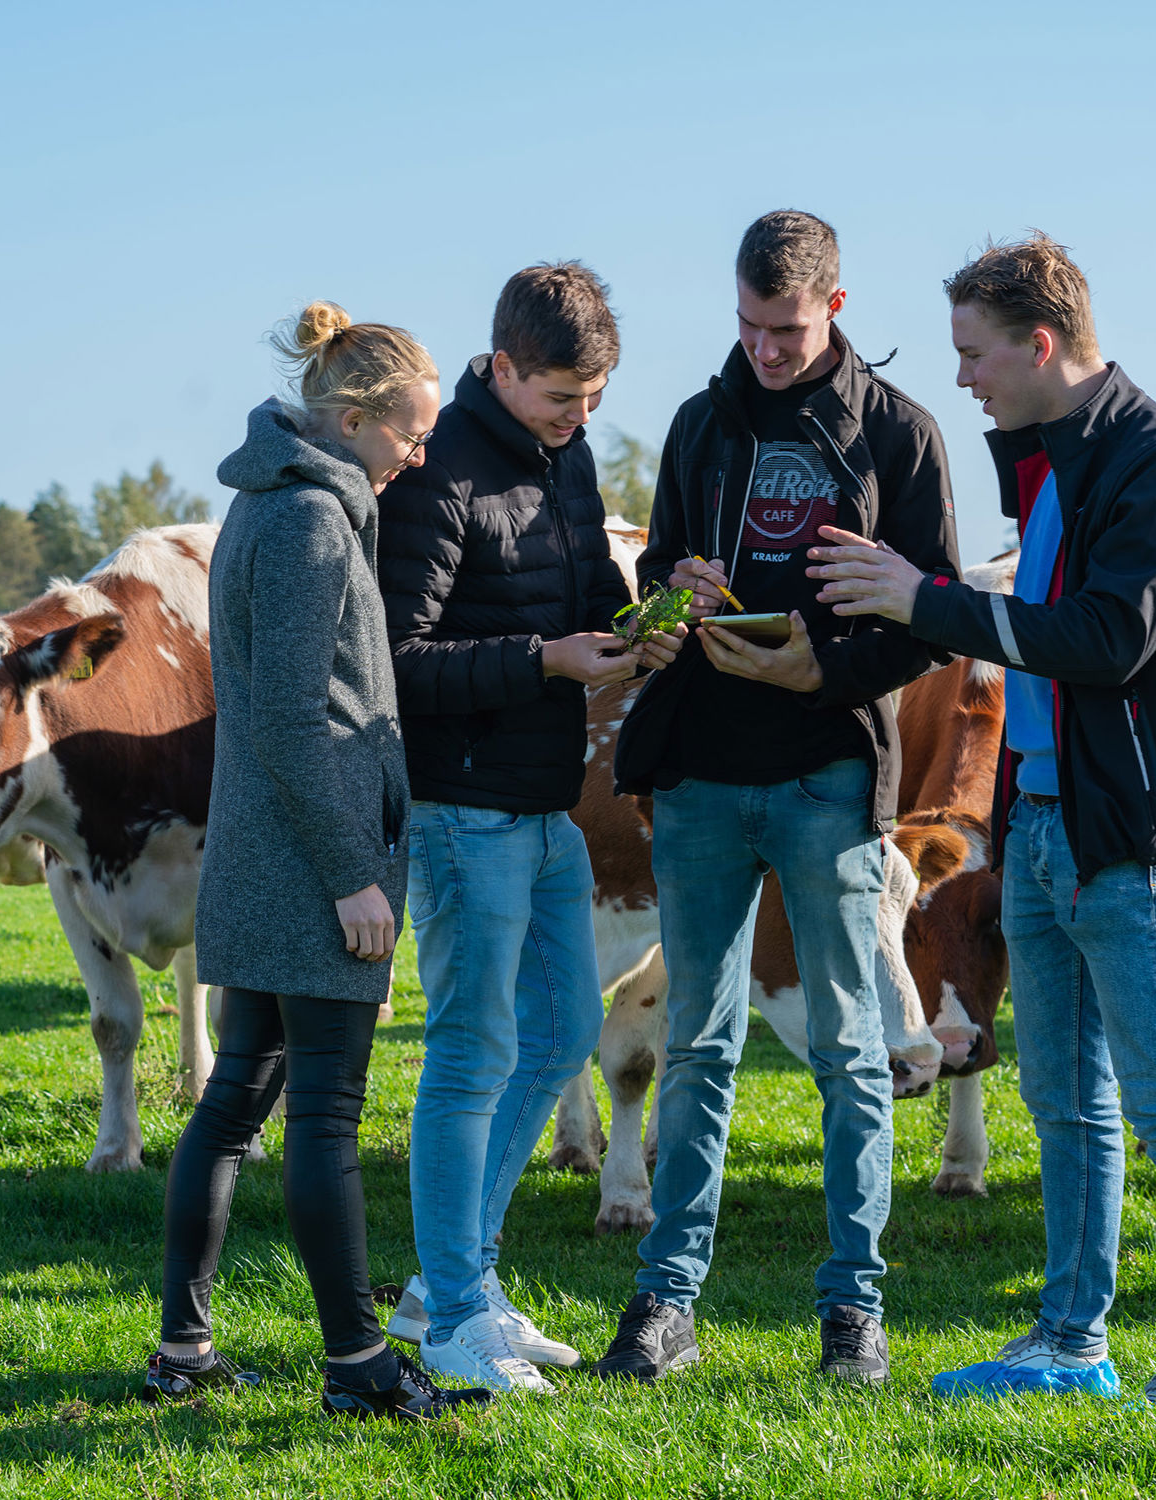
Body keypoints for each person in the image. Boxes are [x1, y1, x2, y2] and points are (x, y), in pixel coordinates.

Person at [809, 233, 1156, 1413]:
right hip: (1037, 821)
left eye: (974, 353)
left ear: (1041, 342)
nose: (961, 377)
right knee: (1063, 1097)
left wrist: (931, 601)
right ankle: (1072, 1341)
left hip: (1126, 836)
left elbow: (1110, 640)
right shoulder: (1051, 462)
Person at [598, 210, 961, 1385]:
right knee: (699, 1042)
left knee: (853, 1050)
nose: (764, 348)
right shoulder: (701, 424)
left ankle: (854, 1309)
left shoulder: (901, 434)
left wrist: (829, 666)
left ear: (837, 310)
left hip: (828, 771)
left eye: (788, 329)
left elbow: (932, 613)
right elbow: (652, 576)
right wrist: (678, 584)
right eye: (749, 326)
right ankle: (666, 1303)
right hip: (703, 770)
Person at [147, 302, 491, 1423]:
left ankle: (183, 1350)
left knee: (235, 1099)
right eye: (410, 435)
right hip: (308, 865)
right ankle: (357, 1367)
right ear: (350, 421)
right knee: (322, 1115)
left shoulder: (275, 499)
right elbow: (297, 723)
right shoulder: (306, 524)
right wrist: (353, 873)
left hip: (270, 851)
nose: (421, 456)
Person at [377, 262, 684, 1394]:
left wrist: (648, 616)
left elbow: (588, 594)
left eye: (594, 401)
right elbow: (398, 667)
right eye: (562, 398)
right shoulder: (432, 475)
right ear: (501, 367)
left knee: (557, 1037)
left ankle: (452, 1282)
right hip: (462, 810)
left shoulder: (564, 457)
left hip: (545, 803)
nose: (579, 419)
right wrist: (547, 661)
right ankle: (456, 1312)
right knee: (470, 1054)